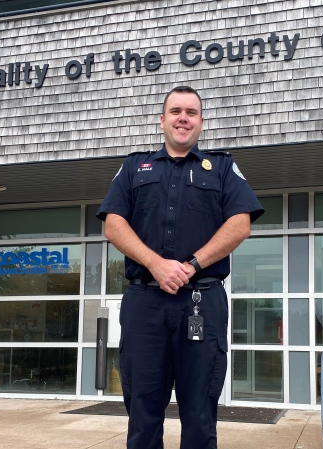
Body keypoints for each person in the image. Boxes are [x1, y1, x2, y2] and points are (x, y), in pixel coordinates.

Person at [97, 86, 264, 449]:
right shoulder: (134, 166)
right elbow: (113, 224)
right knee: (142, 412)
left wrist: (190, 266)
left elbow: (240, 224)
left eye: (191, 112)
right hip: (145, 304)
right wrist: (156, 265)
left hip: (201, 302)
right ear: (162, 120)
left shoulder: (221, 168)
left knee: (200, 413)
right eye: (175, 111)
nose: (183, 117)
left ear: (201, 122)